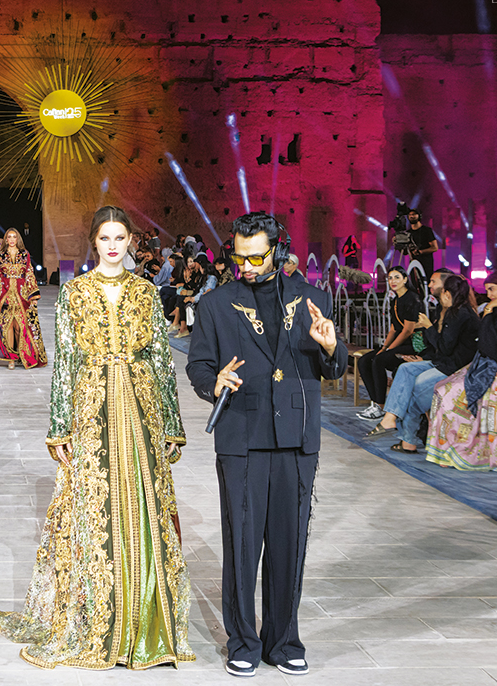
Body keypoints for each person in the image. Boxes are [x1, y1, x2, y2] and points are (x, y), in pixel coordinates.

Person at [0, 206, 194, 670]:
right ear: (94, 242)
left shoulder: (146, 292)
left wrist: (173, 423)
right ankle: (99, 618)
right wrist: (59, 425)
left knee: (143, 503)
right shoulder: (75, 292)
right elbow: (66, 362)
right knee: (94, 506)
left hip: (141, 406)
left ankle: (146, 624)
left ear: (131, 241)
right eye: (105, 238)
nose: (113, 245)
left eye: (120, 237)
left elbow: (161, 359)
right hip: (92, 405)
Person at [186, 212, 345, 677]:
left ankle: (284, 640)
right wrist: (213, 382)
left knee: (289, 544)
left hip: (296, 437)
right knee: (241, 543)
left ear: (278, 249)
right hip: (241, 435)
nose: (248, 266)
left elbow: (334, 368)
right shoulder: (216, 304)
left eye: (257, 257)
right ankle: (242, 641)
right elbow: (198, 365)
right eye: (241, 257)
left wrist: (330, 347)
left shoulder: (313, 299)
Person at [425, 271, 497, 471]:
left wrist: (488, 314)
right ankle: (446, 449)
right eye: (487, 290)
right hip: (487, 365)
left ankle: (467, 452)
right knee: (442, 389)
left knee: (452, 395)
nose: (488, 294)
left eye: (492, 289)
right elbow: (486, 341)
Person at [367, 274, 480, 452]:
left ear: (447, 292)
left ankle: (408, 440)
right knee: (404, 369)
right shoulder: (447, 311)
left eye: (434, 283)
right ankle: (390, 417)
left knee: (413, 387)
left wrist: (428, 327)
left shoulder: (460, 314)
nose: (431, 286)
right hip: (439, 361)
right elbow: (435, 345)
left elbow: (444, 347)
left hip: (453, 368)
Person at [356, 267, 421, 421]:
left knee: (379, 360)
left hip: (412, 344)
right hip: (399, 343)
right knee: (364, 361)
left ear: (405, 279)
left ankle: (380, 405)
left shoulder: (412, 299)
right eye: (390, 278)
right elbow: (393, 329)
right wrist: (384, 347)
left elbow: (407, 331)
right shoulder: (395, 300)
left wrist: (389, 349)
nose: (393, 281)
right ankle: (376, 403)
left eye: (397, 277)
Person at [0, 227, 47, 370]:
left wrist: (33, 295)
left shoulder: (24, 254)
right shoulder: (1, 255)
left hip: (21, 293)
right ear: (6, 240)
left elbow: (29, 273)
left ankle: (21, 354)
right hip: (4, 293)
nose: (11, 239)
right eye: (9, 237)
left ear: (17, 239)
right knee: (8, 325)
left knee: (20, 325)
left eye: (14, 237)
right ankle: (11, 358)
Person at [405, 208, 439, 280]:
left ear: (419, 216)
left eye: (414, 214)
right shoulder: (408, 233)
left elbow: (435, 248)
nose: (412, 216)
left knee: (426, 282)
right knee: (414, 282)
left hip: (426, 264)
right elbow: (405, 252)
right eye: (410, 215)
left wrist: (421, 252)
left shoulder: (427, 230)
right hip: (413, 264)